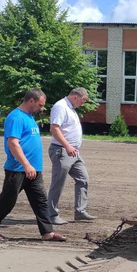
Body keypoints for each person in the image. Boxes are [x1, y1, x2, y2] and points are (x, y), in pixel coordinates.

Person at [0, 88, 66, 242]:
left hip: (33, 169)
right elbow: (13, 143)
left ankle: (47, 232)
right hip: (18, 169)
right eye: (40, 105)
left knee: (41, 201)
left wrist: (32, 166)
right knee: (6, 202)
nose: (41, 109)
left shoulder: (29, 117)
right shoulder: (16, 117)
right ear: (31, 101)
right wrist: (26, 165)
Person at [46, 87, 94, 225]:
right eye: (83, 100)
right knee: (58, 183)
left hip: (74, 152)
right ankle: (52, 215)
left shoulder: (70, 108)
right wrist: (67, 146)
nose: (83, 104)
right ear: (75, 97)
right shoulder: (60, 106)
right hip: (62, 151)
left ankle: (80, 212)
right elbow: (54, 128)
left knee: (83, 178)